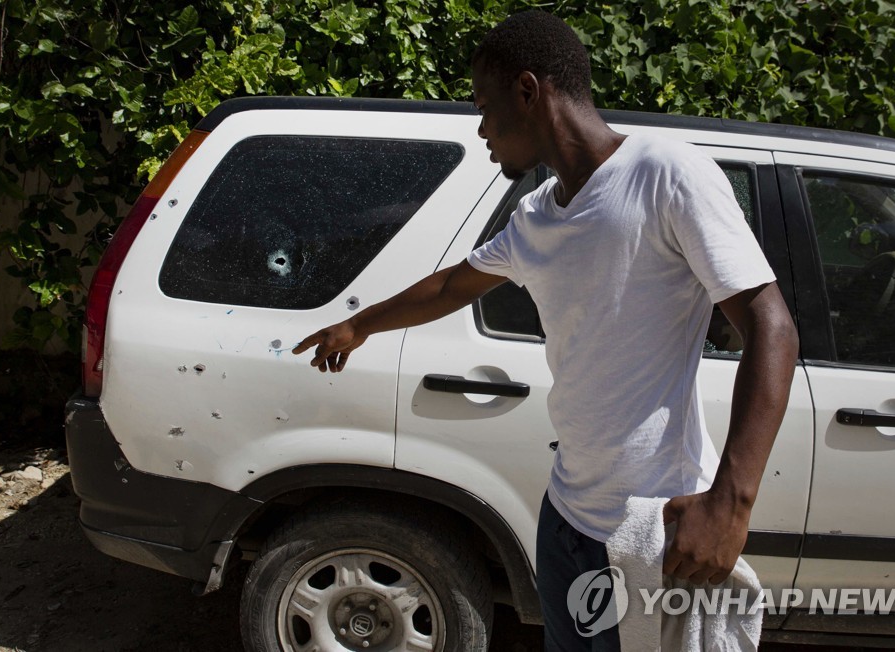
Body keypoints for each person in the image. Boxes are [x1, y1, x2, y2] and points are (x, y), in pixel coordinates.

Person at [293, 9, 798, 650]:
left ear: (529, 91)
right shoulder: (538, 216)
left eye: (484, 106)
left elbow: (771, 325)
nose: (480, 130)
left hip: (650, 528)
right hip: (564, 521)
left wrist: (731, 504)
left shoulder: (666, 174)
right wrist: (357, 326)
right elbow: (454, 284)